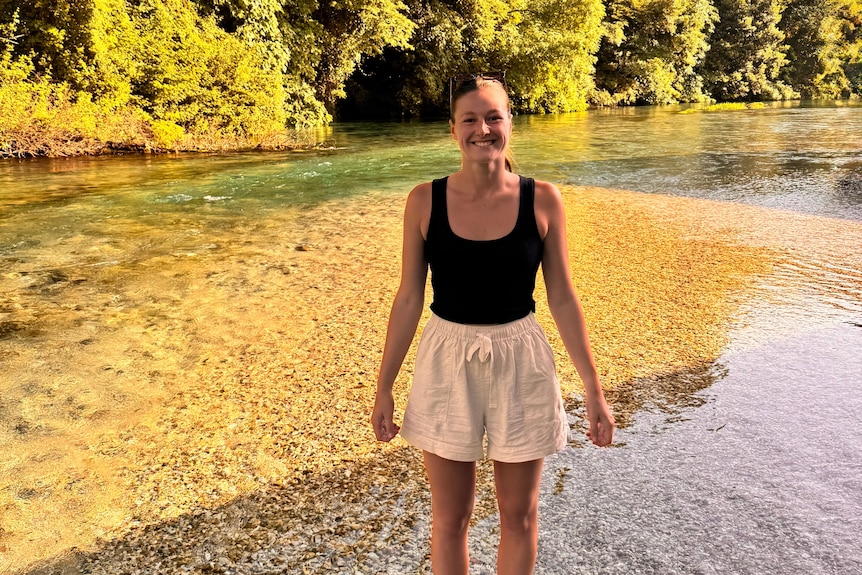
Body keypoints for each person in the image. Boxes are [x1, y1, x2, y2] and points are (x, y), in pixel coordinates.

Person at [371, 72, 615, 575]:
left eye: (493, 117)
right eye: (470, 119)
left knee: (520, 516)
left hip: (520, 355)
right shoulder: (423, 201)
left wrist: (593, 388)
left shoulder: (543, 199)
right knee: (450, 518)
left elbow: (563, 298)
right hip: (445, 356)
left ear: (510, 124)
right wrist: (385, 386)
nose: (483, 129)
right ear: (453, 130)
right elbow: (409, 298)